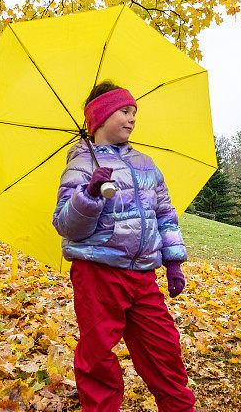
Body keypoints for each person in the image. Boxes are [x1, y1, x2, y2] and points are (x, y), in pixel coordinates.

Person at [52, 80, 196, 412]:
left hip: (142, 275)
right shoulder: (81, 165)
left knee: (164, 350)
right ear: (100, 116)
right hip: (97, 273)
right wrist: (88, 196)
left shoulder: (146, 164)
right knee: (98, 356)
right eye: (124, 112)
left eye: (134, 112)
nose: (132, 119)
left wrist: (173, 260)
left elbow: (164, 212)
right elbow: (66, 225)